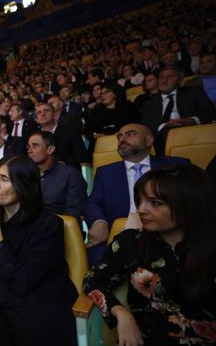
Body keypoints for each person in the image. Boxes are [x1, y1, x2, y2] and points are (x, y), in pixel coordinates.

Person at [83, 165, 216, 346]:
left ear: (188, 204)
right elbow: (93, 280)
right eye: (140, 200)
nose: (142, 209)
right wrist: (121, 312)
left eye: (155, 203)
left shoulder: (209, 244)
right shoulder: (129, 242)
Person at [0, 155, 77, 346]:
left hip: (33, 308)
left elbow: (22, 281)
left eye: (4, 179)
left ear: (24, 185)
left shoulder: (48, 225)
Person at [84, 123, 189, 265]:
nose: (122, 139)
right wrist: (99, 222)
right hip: (120, 235)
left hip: (168, 233)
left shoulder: (176, 166)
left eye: (131, 134)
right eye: (119, 136)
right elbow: (93, 202)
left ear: (149, 141)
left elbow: (194, 199)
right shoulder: (106, 172)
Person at [141, 65, 215, 153]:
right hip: (161, 138)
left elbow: (210, 111)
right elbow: (146, 127)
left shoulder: (194, 92)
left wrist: (192, 120)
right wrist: (163, 126)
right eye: (161, 77)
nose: (164, 80)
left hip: (192, 131)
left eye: (170, 76)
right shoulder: (149, 104)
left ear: (179, 80)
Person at [27, 131, 87, 219]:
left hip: (58, 228)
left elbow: (74, 213)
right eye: (28, 147)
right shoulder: (25, 175)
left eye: (35, 146)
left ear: (50, 149)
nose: (29, 151)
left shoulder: (70, 175)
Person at [35, 103, 88, 170]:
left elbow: (82, 156)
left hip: (65, 171)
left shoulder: (70, 131)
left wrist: (65, 162)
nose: (42, 114)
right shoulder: (33, 136)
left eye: (46, 111)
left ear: (55, 115)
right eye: (39, 113)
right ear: (36, 119)